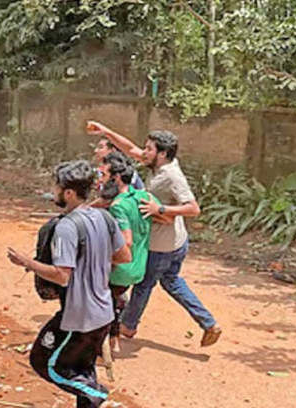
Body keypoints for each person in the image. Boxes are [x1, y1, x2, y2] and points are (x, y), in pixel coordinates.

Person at [6, 160, 131, 408]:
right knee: (82, 369)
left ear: (70, 193)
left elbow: (62, 276)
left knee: (45, 363)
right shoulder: (105, 218)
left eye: (57, 187)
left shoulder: (66, 227)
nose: (54, 191)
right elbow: (123, 256)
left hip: (79, 316)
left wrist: (27, 262)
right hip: (104, 312)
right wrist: (95, 259)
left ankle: (97, 396)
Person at [87, 121, 222, 347]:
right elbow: (130, 149)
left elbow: (193, 208)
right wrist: (106, 131)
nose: (144, 152)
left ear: (163, 153)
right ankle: (208, 323)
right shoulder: (157, 166)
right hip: (176, 241)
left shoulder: (172, 176)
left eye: (149, 149)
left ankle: (128, 325)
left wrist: (160, 209)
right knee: (171, 282)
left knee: (142, 283)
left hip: (162, 245)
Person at [98, 152, 161, 353]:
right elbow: (166, 217)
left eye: (104, 175)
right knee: (113, 299)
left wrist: (104, 260)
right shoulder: (145, 197)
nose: (101, 180)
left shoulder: (118, 206)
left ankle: (102, 345)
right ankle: (114, 339)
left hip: (121, 269)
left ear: (115, 178)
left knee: (96, 296)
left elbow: (126, 241)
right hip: (138, 268)